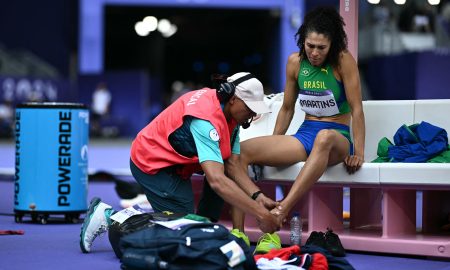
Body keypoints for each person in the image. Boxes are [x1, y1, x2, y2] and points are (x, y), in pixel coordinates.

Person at [80, 72, 282, 253]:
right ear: (233, 99)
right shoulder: (206, 120)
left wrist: (257, 196)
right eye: (250, 108)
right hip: (153, 164)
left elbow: (233, 164)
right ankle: (108, 216)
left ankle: (203, 233)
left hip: (175, 164)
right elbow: (217, 181)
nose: (253, 114)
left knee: (194, 233)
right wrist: (260, 214)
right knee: (179, 235)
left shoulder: (233, 117)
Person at [233, 6, 365, 253]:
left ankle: (280, 212)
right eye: (310, 45)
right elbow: (286, 108)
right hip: (305, 134)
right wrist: (272, 145)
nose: (314, 53)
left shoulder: (343, 61)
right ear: (303, 41)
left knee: (324, 138)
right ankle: (238, 233)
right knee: (242, 151)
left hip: (337, 137)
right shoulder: (295, 62)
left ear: (332, 44)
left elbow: (357, 110)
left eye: (321, 47)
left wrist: (359, 151)